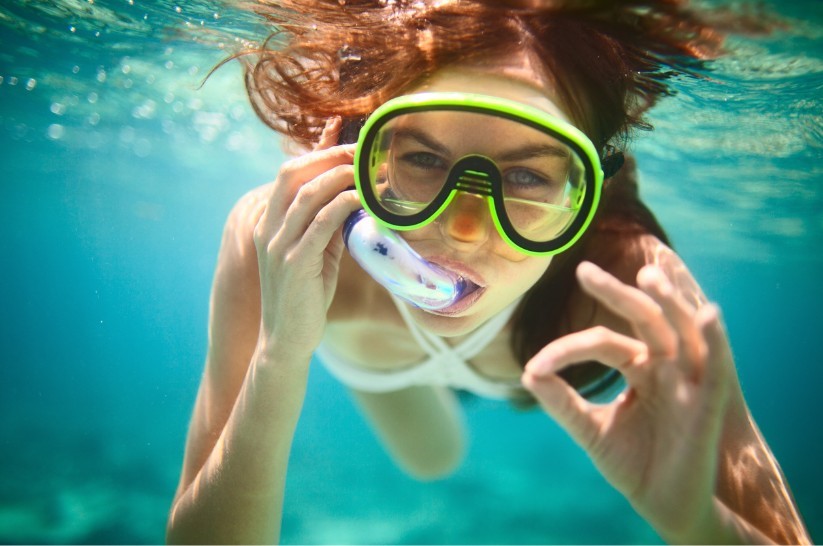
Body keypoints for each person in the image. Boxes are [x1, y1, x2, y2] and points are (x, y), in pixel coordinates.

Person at [166, 0, 811, 543]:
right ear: (361, 153)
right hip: (381, 368)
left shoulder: (628, 278)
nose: (466, 228)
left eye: (528, 174)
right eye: (422, 157)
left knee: (435, 458)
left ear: (587, 193)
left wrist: (702, 526)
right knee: (432, 460)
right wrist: (279, 357)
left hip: (508, 362)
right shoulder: (283, 238)